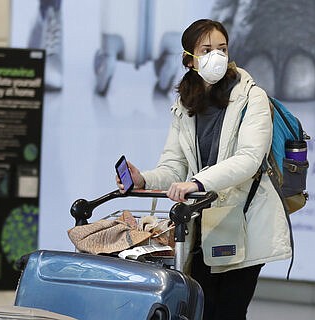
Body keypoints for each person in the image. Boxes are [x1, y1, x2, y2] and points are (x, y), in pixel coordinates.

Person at [116, 19, 292, 320]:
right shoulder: (185, 104)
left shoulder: (252, 98)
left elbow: (249, 159)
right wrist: (142, 178)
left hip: (246, 220)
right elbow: (175, 165)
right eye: (207, 49)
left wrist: (196, 183)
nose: (217, 57)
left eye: (222, 49)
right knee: (199, 310)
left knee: (228, 312)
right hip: (203, 224)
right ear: (189, 59)